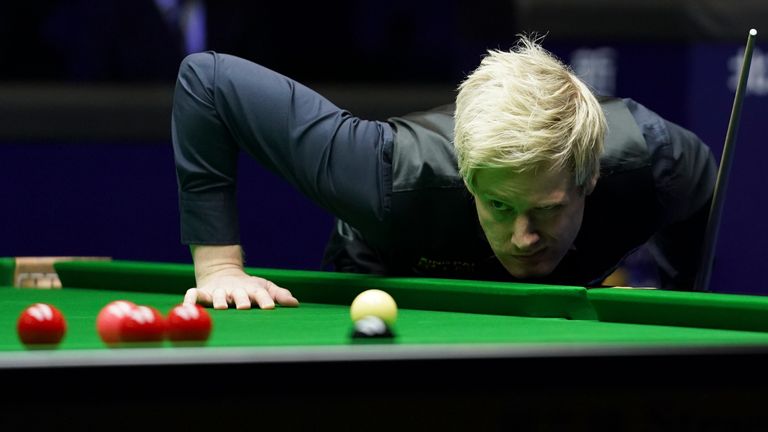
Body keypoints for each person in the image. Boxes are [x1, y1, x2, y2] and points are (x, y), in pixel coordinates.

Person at [171, 36, 716, 310]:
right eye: (499, 205)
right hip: (387, 274)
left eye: (548, 209)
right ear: (467, 178)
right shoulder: (388, 174)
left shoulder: (656, 161)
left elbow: (700, 196)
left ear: (588, 178)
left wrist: (681, 298)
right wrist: (219, 269)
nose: (524, 237)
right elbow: (207, 81)